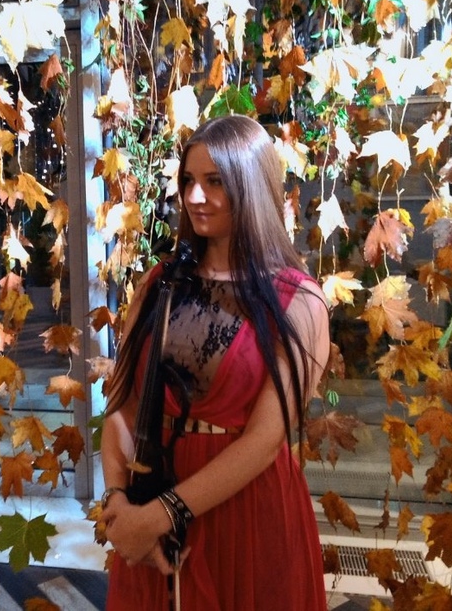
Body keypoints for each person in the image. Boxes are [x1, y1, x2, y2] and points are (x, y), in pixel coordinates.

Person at [99, 115, 331, 610]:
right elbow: (122, 406)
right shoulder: (159, 282)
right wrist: (119, 504)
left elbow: (264, 442)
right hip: (148, 497)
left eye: (215, 181)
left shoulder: (298, 300)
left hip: (245, 511)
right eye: (188, 180)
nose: (194, 196)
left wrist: (158, 516)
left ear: (251, 185)